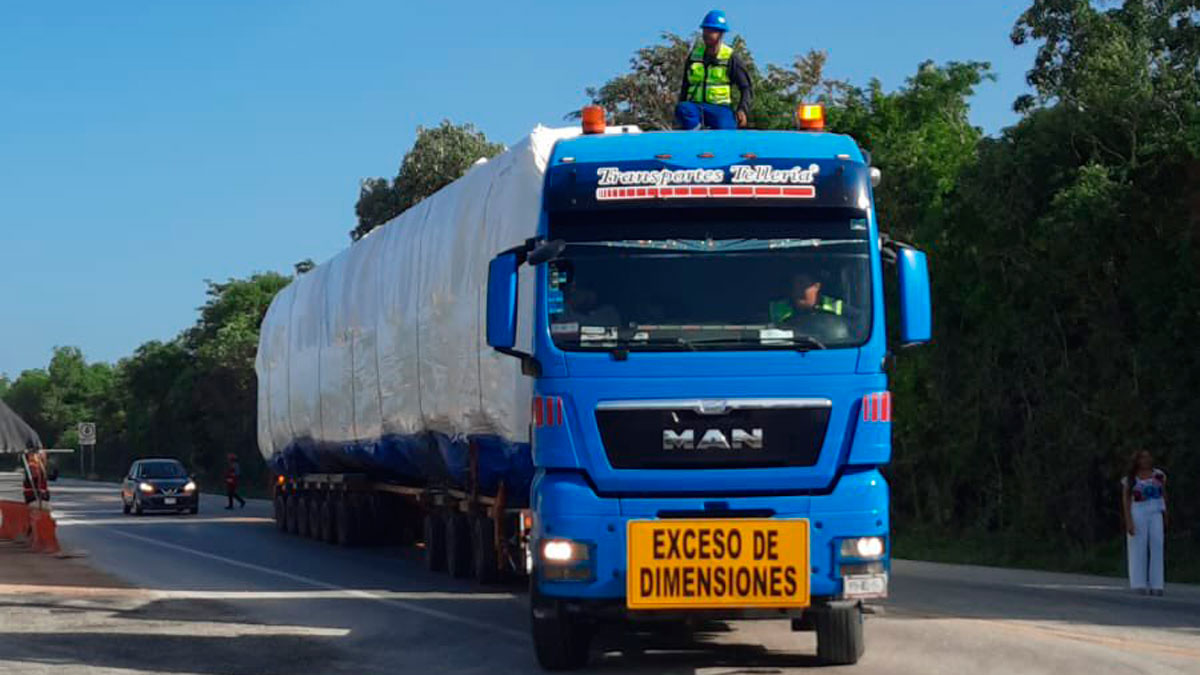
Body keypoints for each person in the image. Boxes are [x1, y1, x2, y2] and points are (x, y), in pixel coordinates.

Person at [675, 10, 753, 130]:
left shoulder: (730, 57)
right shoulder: (695, 56)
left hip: (720, 109)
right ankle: (696, 134)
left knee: (726, 129)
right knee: (683, 108)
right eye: (705, 30)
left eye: (712, 31)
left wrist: (742, 109)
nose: (707, 34)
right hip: (696, 107)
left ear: (721, 34)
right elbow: (685, 85)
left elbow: (746, 87)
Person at [1122, 449, 1168, 596]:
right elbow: (1126, 500)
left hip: (1155, 511)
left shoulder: (1159, 475)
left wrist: (1165, 514)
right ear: (1137, 461)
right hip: (1138, 511)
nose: (1147, 460)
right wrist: (1129, 521)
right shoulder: (1131, 479)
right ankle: (1138, 583)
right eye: (1143, 458)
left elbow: (1163, 494)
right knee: (1138, 546)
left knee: (1157, 545)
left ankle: (1157, 584)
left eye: (1148, 457)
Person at [769, 273, 845, 324]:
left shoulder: (837, 307)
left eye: (801, 284)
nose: (796, 289)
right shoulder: (776, 309)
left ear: (816, 286)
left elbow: (854, 327)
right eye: (793, 285)